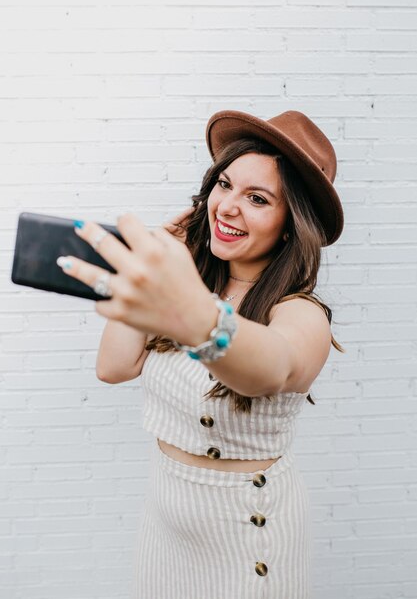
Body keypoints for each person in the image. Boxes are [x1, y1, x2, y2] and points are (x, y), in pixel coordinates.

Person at [56, 109, 345, 599]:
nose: (228, 206)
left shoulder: (300, 313)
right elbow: (113, 368)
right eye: (225, 184)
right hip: (165, 522)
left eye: (257, 198)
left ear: (292, 223)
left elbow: (272, 368)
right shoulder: (192, 286)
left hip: (247, 532)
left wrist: (197, 319)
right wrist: (158, 268)